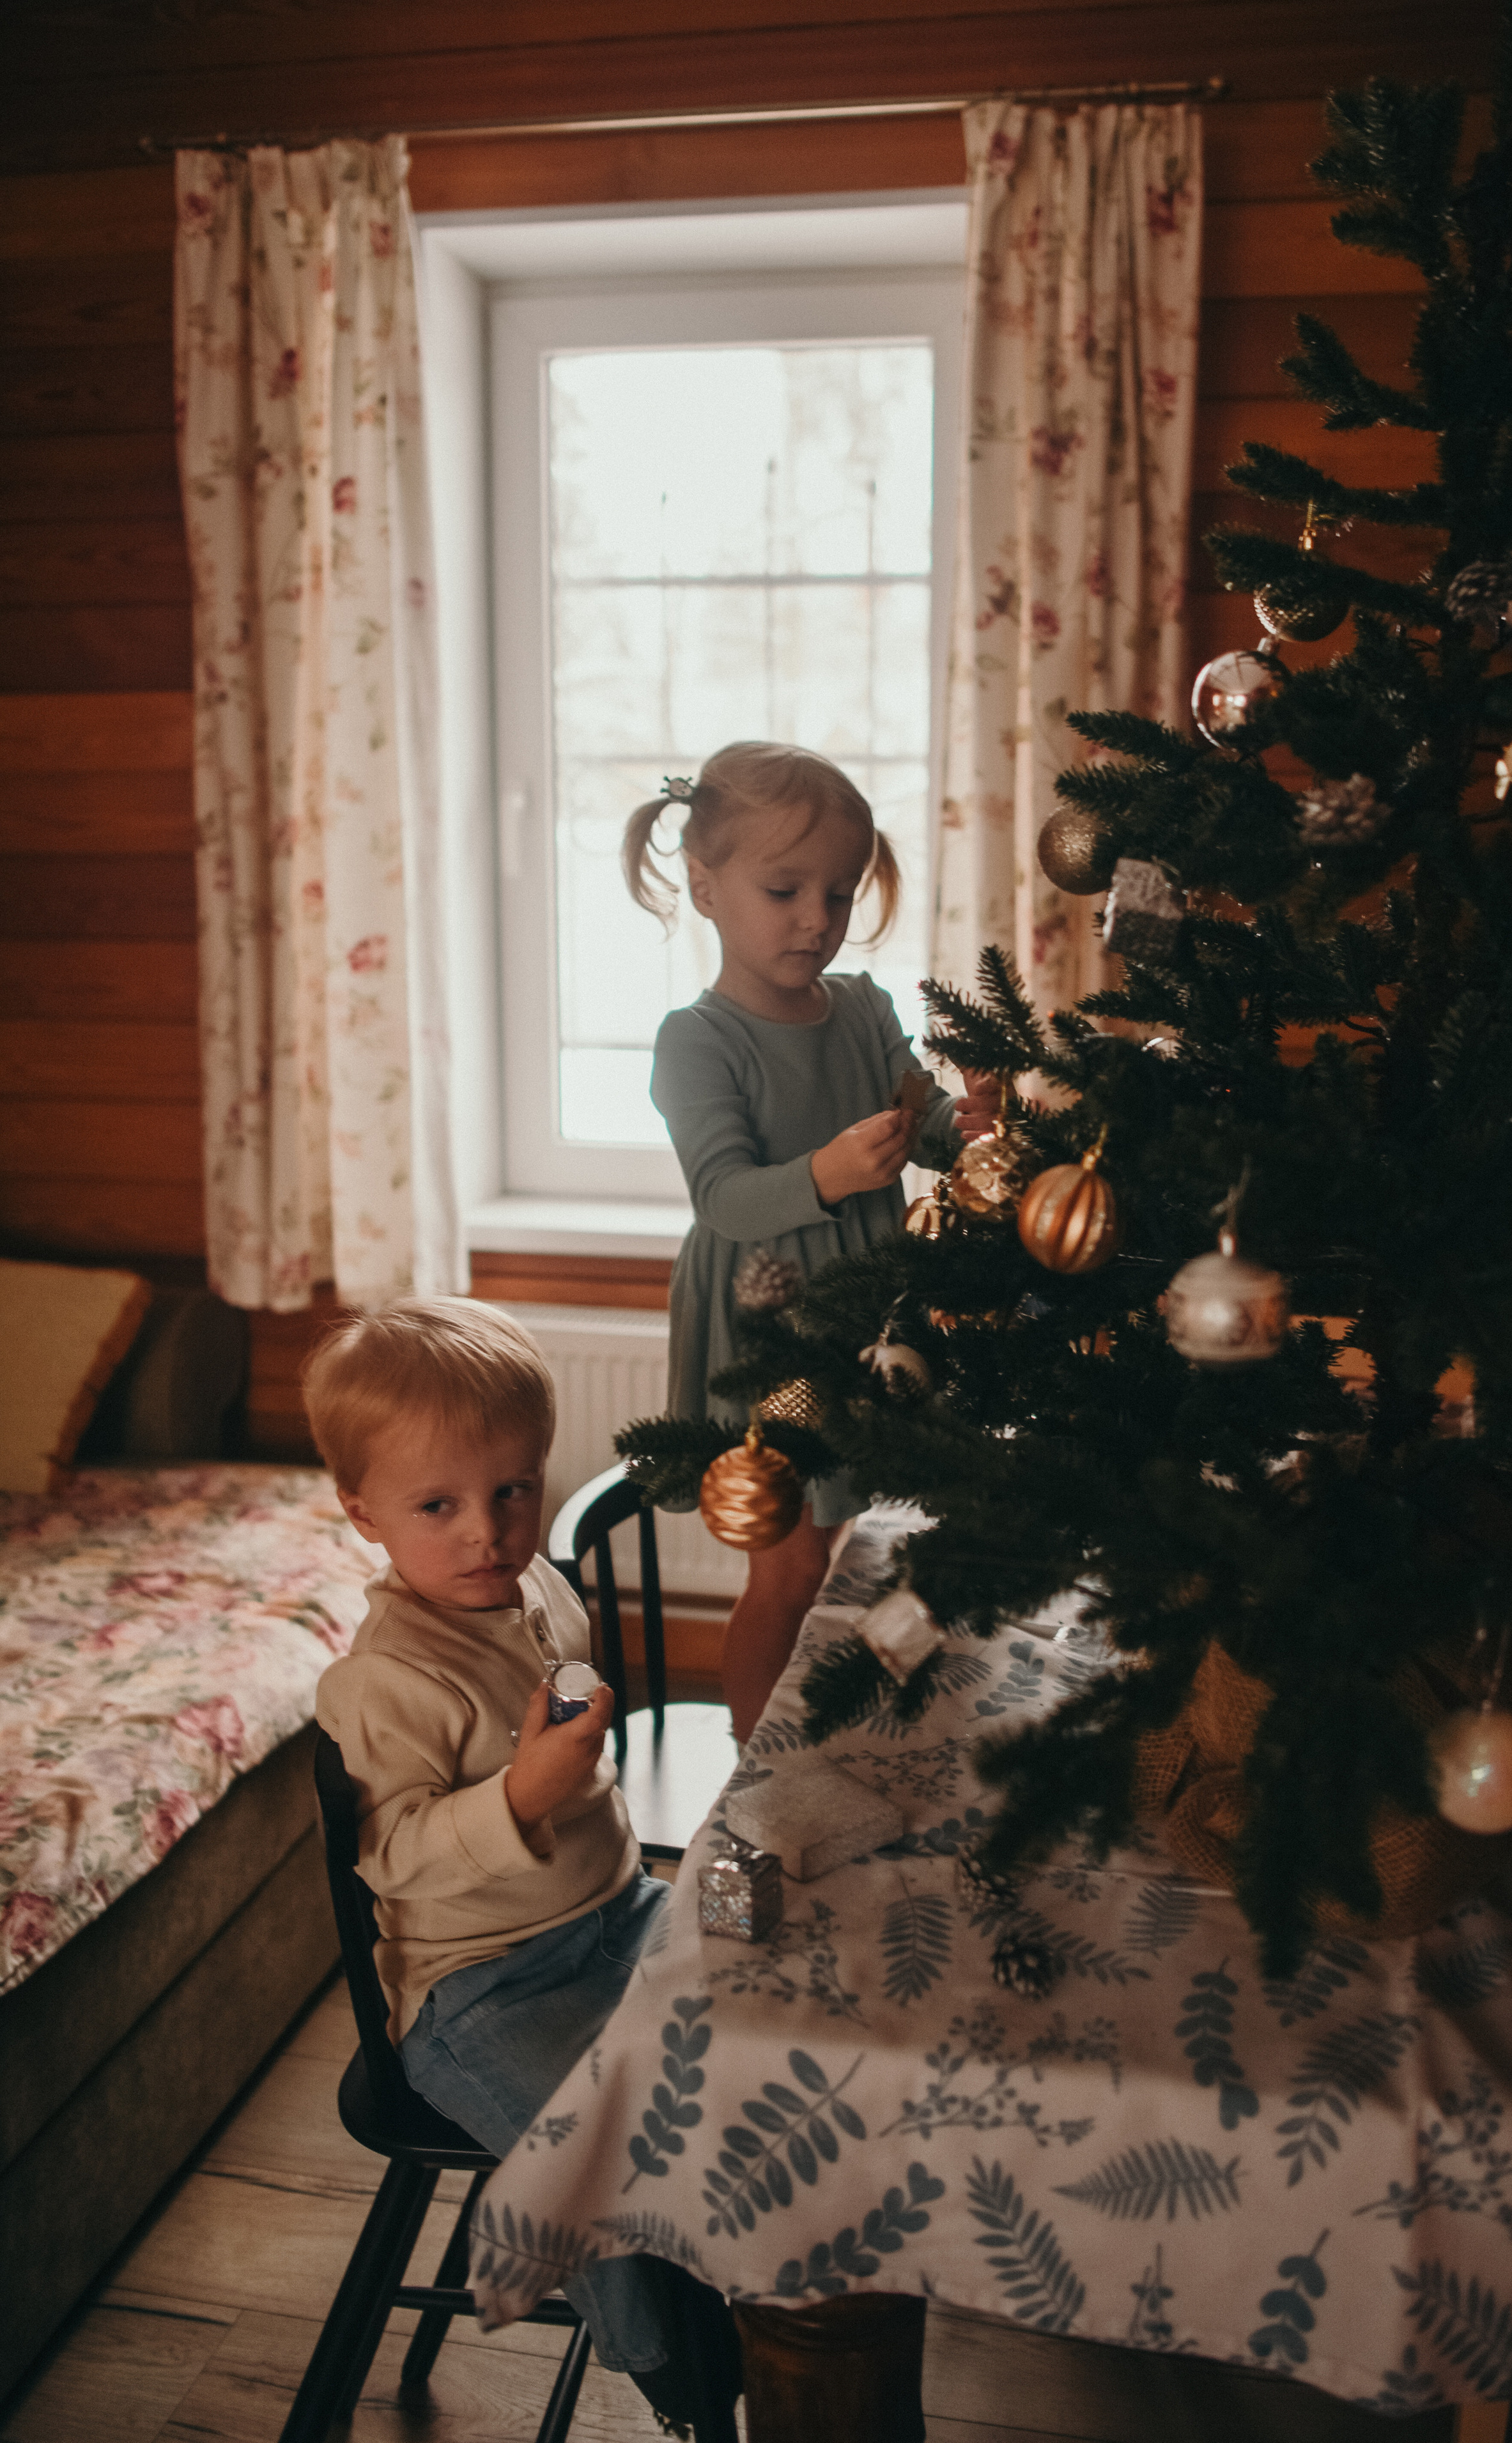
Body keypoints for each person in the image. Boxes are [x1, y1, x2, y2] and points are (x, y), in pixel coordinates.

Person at [306, 1298, 737, 2439]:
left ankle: (764, 2254)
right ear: (363, 1515)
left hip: (612, 1910)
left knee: (767, 1986)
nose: (488, 1533)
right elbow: (390, 1857)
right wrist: (521, 1796)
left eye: (513, 1490)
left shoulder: (534, 1584)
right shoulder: (385, 1679)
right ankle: (682, 2370)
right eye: (437, 1506)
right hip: (479, 1987)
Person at [624, 741, 999, 1742]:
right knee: (789, 1561)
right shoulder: (698, 1041)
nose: (816, 919)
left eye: (839, 894)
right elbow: (722, 1198)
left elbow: (914, 1127)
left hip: (870, 1315)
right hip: (771, 1325)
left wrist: (958, 1123)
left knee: (860, 1546)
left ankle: (845, 1738)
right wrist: (830, 1173)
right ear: (704, 888)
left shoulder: (866, 1008)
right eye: (786, 889)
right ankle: (756, 1773)